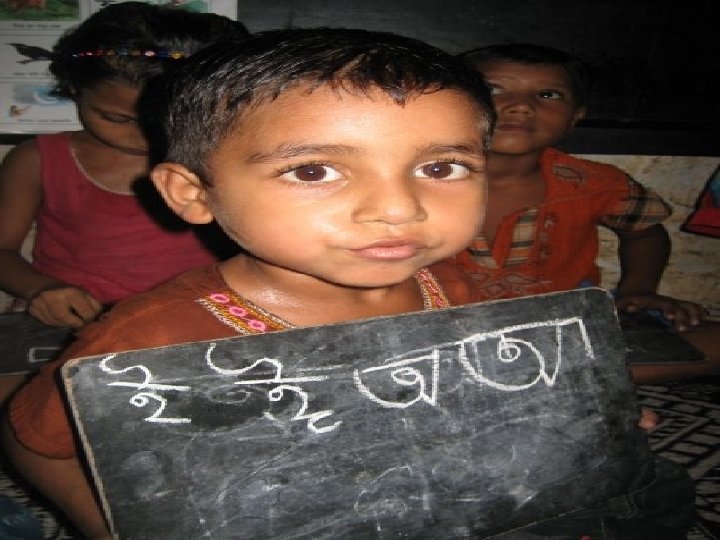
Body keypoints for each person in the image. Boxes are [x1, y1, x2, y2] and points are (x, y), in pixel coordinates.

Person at [0, 30, 691, 540]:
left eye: (442, 168)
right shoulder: (147, 341)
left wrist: (579, 428)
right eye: (313, 171)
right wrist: (114, 527)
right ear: (193, 193)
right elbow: (33, 439)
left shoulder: (463, 293)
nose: (398, 208)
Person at [453, 43, 720, 385]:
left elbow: (644, 233)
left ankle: (532, 378)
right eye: (493, 89)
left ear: (575, 117)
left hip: (567, 326)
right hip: (440, 329)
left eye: (548, 95)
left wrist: (638, 291)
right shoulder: (414, 177)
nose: (521, 106)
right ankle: (557, 380)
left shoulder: (594, 183)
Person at [0, 2, 249, 331]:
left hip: (198, 315)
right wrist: (40, 289)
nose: (143, 135)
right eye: (116, 118)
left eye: (165, 121)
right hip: (77, 317)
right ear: (75, 89)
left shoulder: (223, 158)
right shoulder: (37, 159)